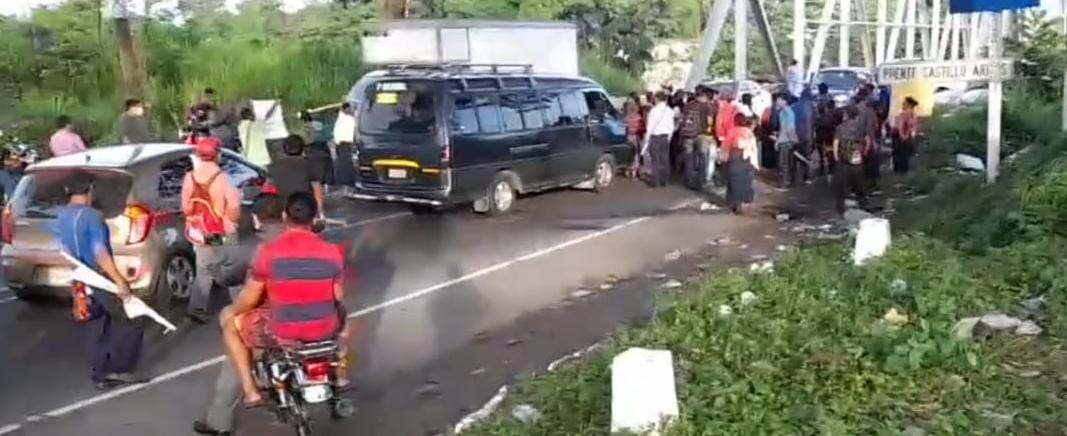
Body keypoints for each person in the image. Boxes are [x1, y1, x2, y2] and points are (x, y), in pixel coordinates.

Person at [218, 192, 345, 408]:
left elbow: (249, 299)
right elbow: (338, 296)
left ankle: (251, 392)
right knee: (343, 315)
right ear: (315, 219)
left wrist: (234, 311)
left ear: (285, 217)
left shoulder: (270, 252)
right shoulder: (333, 252)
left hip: (282, 331)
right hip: (325, 329)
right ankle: (341, 375)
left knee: (230, 323)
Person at [54, 172, 146, 389]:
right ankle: (119, 369)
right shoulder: (92, 216)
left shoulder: (61, 216)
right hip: (99, 277)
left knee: (96, 324)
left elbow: (63, 250)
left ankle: (99, 371)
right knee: (130, 320)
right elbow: (100, 252)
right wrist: (119, 281)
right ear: (90, 191)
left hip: (79, 277)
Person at [182, 137, 242, 324]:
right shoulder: (221, 178)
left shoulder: (189, 177)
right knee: (232, 267)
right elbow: (233, 207)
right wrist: (233, 221)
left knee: (203, 268)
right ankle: (240, 307)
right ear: (216, 154)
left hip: (200, 231)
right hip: (221, 231)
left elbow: (185, 207)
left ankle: (197, 308)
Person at [267, 134, 326, 217]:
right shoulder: (309, 164)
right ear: (303, 149)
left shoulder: (273, 167)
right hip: (307, 207)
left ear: (285, 149)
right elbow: (317, 189)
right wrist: (319, 212)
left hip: (285, 209)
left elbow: (267, 191)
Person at [832, 105, 869, 213]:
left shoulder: (840, 127)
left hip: (843, 159)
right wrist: (864, 153)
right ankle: (862, 205)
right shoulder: (861, 127)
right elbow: (867, 141)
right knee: (859, 185)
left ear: (846, 114)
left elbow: (836, 143)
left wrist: (836, 157)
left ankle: (841, 208)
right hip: (857, 159)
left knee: (841, 186)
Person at [678, 86, 714, 189]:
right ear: (704, 95)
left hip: (688, 135)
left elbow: (682, 119)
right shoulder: (707, 106)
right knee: (703, 158)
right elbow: (709, 122)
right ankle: (700, 181)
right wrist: (709, 132)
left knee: (689, 158)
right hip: (702, 135)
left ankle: (690, 181)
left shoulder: (688, 105)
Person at [722, 113, 759, 214]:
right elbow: (753, 148)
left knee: (733, 180)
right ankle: (743, 202)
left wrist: (723, 158)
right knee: (744, 181)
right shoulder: (749, 133)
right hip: (746, 159)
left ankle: (735, 203)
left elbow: (726, 146)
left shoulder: (732, 131)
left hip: (734, 157)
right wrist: (755, 163)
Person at [643, 92, 675, 188]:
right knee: (665, 159)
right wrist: (669, 137)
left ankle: (656, 181)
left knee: (655, 160)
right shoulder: (670, 111)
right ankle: (664, 180)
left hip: (655, 137)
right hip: (665, 137)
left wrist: (647, 139)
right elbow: (671, 126)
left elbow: (650, 126)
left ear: (657, 99)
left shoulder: (653, 111)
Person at [773, 94, 800, 188]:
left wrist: (778, 141)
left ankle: (784, 184)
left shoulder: (785, 112)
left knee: (783, 163)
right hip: (788, 140)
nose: (777, 102)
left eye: (779, 99)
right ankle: (790, 181)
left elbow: (787, 128)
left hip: (785, 141)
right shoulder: (787, 111)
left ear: (784, 101)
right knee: (788, 162)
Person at [791, 89, 816, 184]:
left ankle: (793, 177)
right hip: (807, 135)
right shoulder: (811, 107)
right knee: (807, 156)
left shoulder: (793, 106)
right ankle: (807, 177)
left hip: (795, 135)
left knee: (794, 156)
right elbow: (814, 122)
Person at [332, 103, 358, 192]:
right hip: (345, 143)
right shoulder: (349, 119)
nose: (350, 110)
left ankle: (344, 184)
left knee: (343, 163)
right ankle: (346, 184)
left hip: (343, 143)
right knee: (347, 163)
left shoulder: (341, 119)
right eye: (349, 109)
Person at [892, 97, 921, 174]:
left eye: (904, 104)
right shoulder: (914, 115)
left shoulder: (903, 114)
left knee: (900, 156)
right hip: (908, 137)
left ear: (909, 105)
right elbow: (914, 127)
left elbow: (900, 127)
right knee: (905, 156)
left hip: (901, 138)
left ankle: (899, 171)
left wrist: (902, 136)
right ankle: (904, 171)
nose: (903, 105)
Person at [623, 101, 645, 178]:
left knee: (629, 153)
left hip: (628, 136)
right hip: (636, 136)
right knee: (636, 153)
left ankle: (628, 168)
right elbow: (642, 128)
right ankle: (635, 170)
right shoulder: (639, 117)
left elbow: (624, 127)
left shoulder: (626, 117)